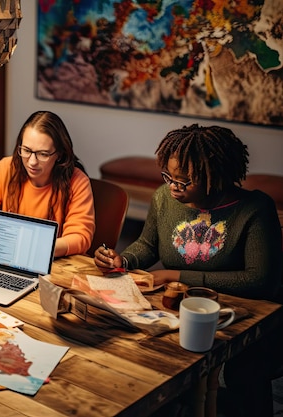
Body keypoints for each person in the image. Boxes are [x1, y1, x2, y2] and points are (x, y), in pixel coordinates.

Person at [93, 124, 282, 417]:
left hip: (247, 316)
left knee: (245, 376)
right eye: (168, 177)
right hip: (183, 308)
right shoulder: (164, 198)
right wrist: (124, 260)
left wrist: (176, 275)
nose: (173, 187)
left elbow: (259, 281)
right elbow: (147, 245)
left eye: (185, 181)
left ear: (216, 176)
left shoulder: (255, 209)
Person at [0, 110, 95, 257]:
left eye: (43, 154)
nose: (32, 162)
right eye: (26, 150)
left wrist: (35, 249)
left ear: (59, 155)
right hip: (6, 257)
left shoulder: (77, 182)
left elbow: (80, 237)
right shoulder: (6, 168)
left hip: (52, 264)